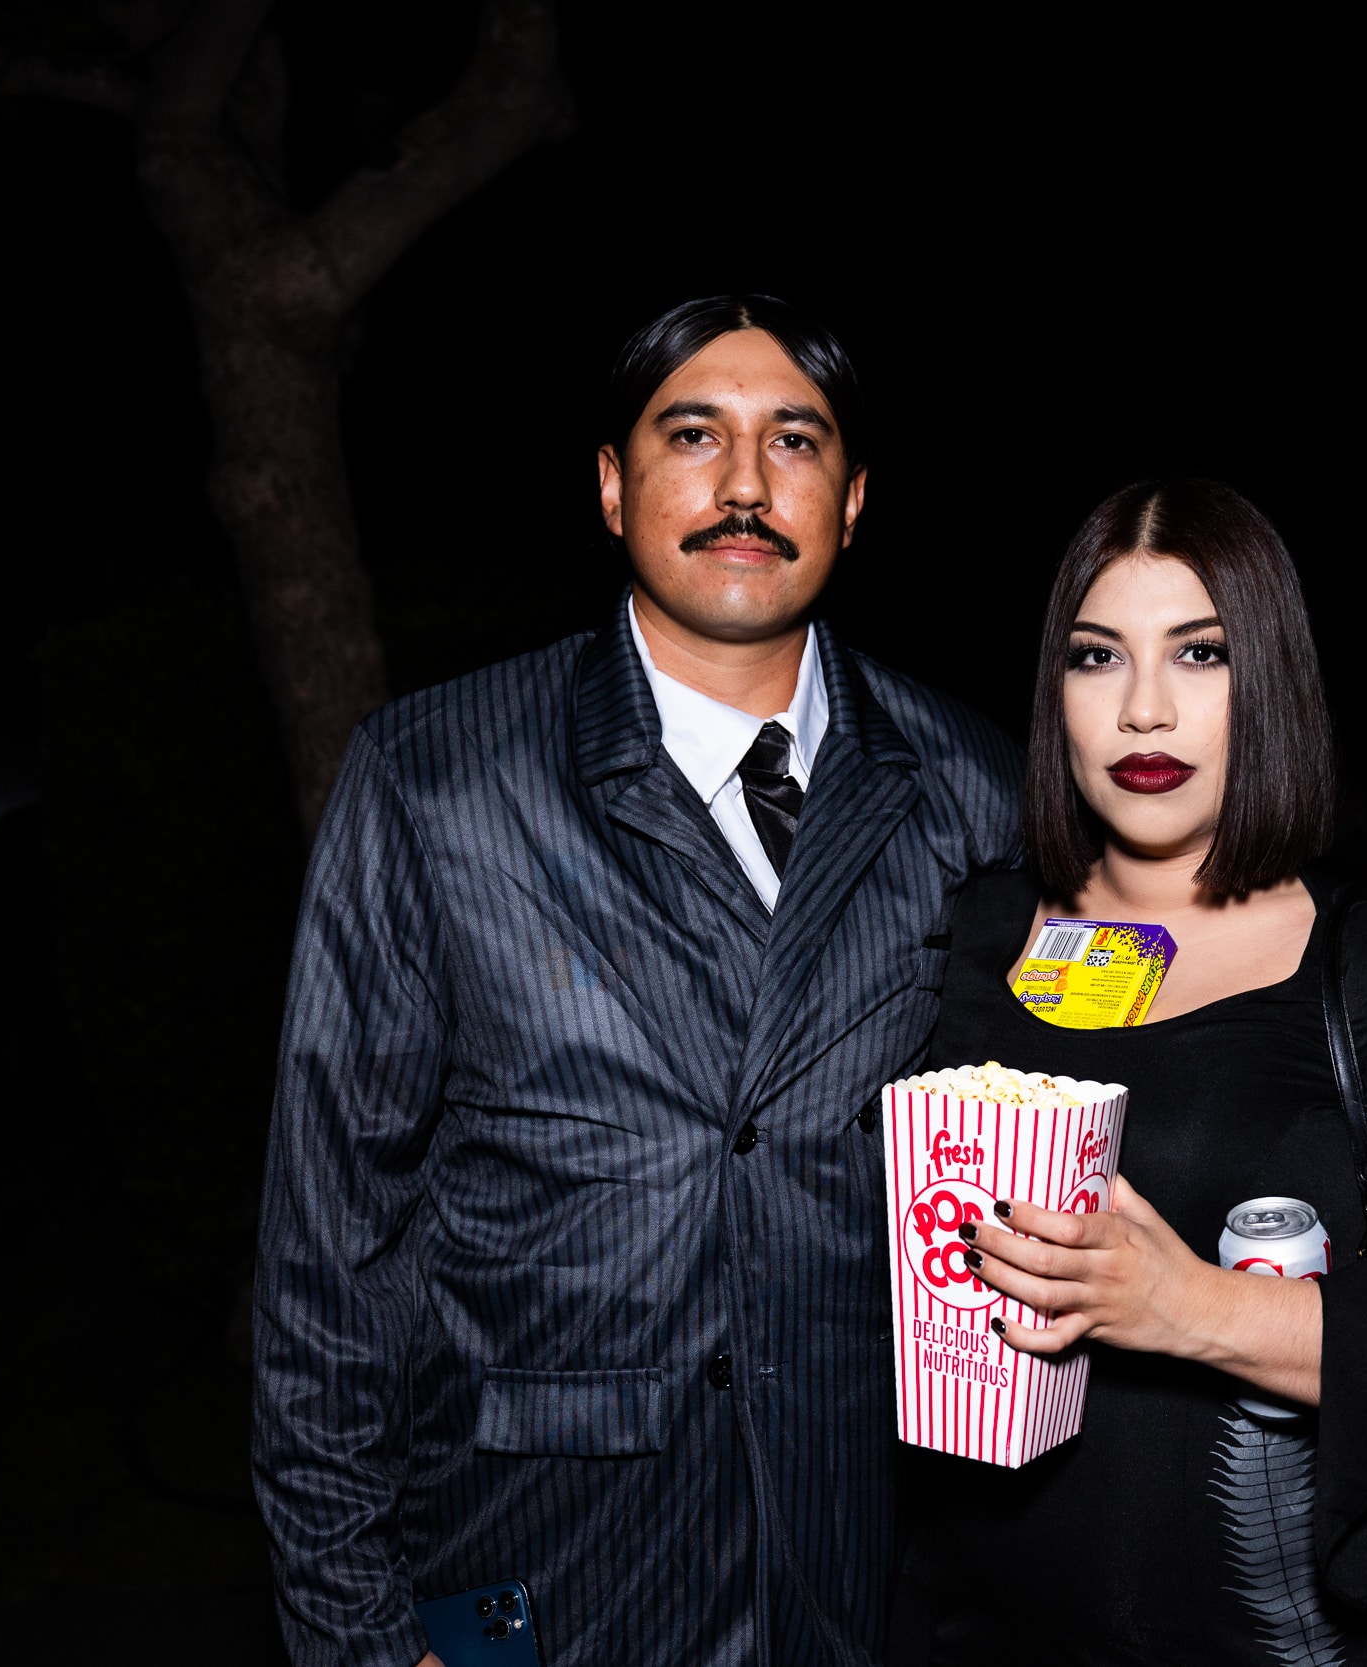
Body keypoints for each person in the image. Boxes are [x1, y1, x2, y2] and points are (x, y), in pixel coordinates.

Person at [252, 295, 1021, 1667]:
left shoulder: (967, 788)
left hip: (863, 1566)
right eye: (694, 435)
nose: (745, 485)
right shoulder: (436, 778)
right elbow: (330, 1250)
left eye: (794, 440)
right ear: (613, 486)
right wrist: (356, 1632)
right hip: (543, 1563)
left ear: (852, 500)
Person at [888, 479, 1367, 1665]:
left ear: (1267, 678)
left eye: (1200, 652)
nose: (1145, 709)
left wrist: (1200, 1309)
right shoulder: (966, 930)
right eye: (1097, 656)